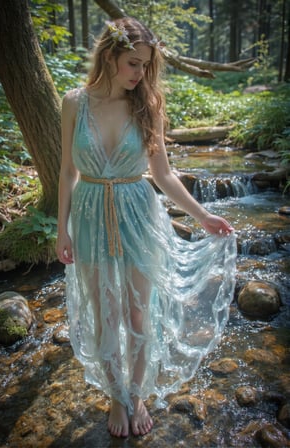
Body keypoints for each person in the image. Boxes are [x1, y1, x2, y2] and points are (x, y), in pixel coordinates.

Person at [56, 17, 237, 439]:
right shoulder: (74, 102)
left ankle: (136, 394)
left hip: (138, 214)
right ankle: (116, 396)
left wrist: (202, 216)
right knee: (106, 312)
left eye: (146, 66)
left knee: (139, 311)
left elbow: (164, 175)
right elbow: (66, 171)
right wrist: (61, 229)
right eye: (133, 63)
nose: (140, 74)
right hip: (88, 213)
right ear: (109, 56)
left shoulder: (148, 104)